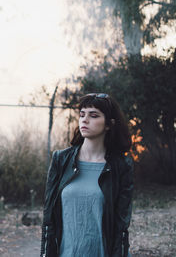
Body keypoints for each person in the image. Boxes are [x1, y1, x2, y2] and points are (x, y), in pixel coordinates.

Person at [40, 93, 133, 257]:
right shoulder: (60, 160)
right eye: (82, 115)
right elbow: (48, 221)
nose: (84, 120)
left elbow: (121, 227)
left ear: (109, 124)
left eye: (94, 115)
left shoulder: (121, 166)